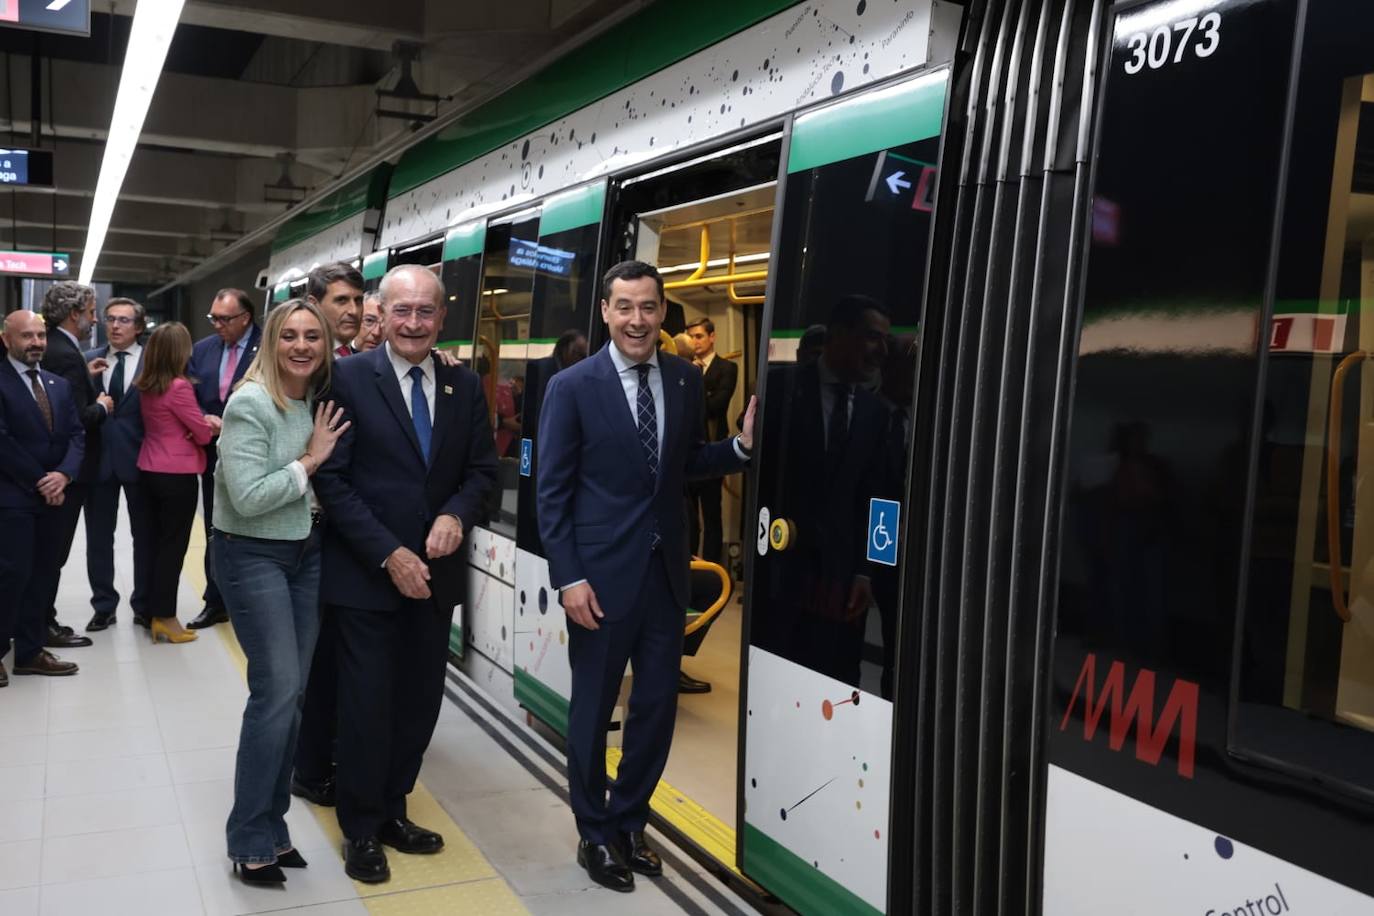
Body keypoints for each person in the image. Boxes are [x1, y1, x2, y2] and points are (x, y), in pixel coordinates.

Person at [537, 261, 755, 893]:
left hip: (666, 577)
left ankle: (631, 820)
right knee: (593, 709)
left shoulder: (685, 380)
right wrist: (568, 578)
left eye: (649, 308)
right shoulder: (574, 387)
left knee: (656, 707)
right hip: (598, 583)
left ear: (664, 315)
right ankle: (594, 832)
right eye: (625, 307)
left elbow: (682, 463)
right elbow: (553, 493)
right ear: (605, 311)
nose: (637, 319)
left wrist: (739, 448)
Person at [313, 264, 498, 883]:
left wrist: (455, 514)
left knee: (419, 703)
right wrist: (390, 554)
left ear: (442, 318)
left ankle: (394, 808)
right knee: (367, 704)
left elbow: (481, 473)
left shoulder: (463, 386)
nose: (414, 323)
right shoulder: (345, 377)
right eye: (402, 311)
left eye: (426, 312)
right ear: (380, 315)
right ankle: (360, 828)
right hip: (367, 577)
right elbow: (332, 481)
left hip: (436, 578)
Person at [213, 299, 349, 885]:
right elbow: (247, 497)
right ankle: (248, 837)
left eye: (312, 336)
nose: (301, 345)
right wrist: (311, 462)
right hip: (251, 554)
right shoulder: (250, 404)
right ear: (271, 342)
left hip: (304, 553)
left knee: (292, 698)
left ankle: (274, 826)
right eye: (289, 335)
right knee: (276, 692)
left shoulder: (311, 399)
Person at [0, 310, 85, 683]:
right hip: (13, 496)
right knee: (11, 575)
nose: (36, 343)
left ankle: (30, 652)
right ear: (7, 340)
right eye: (26, 336)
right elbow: (2, 441)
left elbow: (77, 435)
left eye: (40, 335)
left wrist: (64, 474)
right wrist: (41, 480)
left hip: (54, 497)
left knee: (44, 574)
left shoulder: (57, 385)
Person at [137, 322, 221, 644]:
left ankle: (153, 611)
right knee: (173, 548)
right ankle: (166, 618)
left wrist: (194, 425)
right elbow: (200, 434)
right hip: (177, 475)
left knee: (157, 545)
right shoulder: (179, 387)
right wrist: (208, 425)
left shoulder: (146, 384)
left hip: (148, 467)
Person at [38, 282, 110, 650]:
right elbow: (74, 418)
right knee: (52, 552)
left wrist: (86, 373)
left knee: (47, 550)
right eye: (92, 311)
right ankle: (41, 625)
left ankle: (37, 620)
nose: (95, 318)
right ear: (74, 313)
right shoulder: (65, 355)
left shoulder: (59, 348)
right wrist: (102, 406)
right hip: (68, 471)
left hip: (54, 468)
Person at [188, 288, 261, 629]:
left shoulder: (270, 346)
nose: (217, 324)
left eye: (224, 319)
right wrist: (201, 416)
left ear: (245, 318)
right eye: (213, 318)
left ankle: (254, 597)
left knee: (256, 527)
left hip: (258, 455)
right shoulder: (202, 350)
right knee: (217, 527)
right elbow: (187, 394)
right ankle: (215, 600)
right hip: (212, 454)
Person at [84, 297, 151, 632]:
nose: (115, 326)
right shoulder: (89, 361)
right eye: (110, 319)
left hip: (141, 460)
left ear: (138, 327)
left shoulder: (152, 362)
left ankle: (143, 604)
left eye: (124, 320)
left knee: (145, 536)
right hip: (97, 462)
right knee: (98, 537)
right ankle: (103, 606)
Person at [684, 317, 738, 566]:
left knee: (712, 516)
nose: (694, 342)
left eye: (699, 336)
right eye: (691, 337)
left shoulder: (726, 368)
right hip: (685, 453)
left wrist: (694, 379)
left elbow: (717, 405)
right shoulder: (681, 366)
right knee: (688, 519)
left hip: (713, 449)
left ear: (712, 337)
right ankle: (689, 570)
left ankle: (715, 573)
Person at [308, 262, 364, 357]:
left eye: (358, 301)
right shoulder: (303, 361)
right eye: (341, 300)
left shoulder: (364, 362)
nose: (353, 311)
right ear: (313, 305)